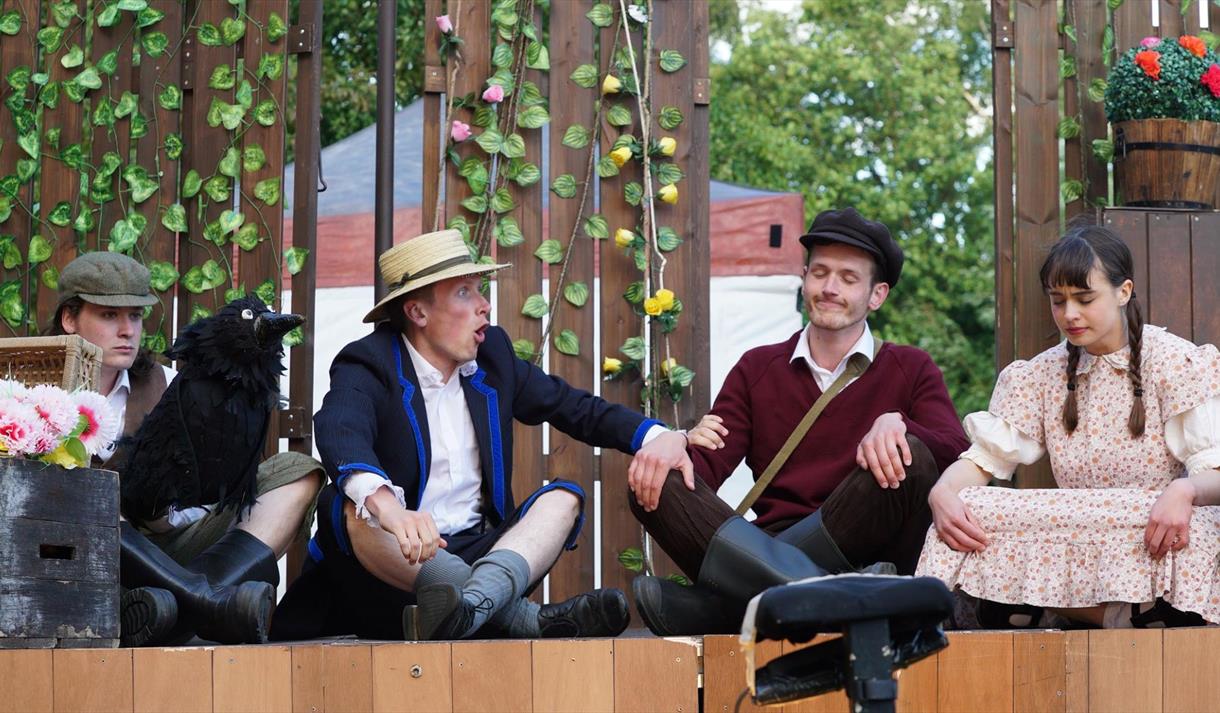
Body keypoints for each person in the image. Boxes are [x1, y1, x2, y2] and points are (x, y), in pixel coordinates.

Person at [270, 228, 692, 641]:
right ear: (417, 313)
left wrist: (658, 437)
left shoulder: (494, 356)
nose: (484, 305)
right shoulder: (369, 362)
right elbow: (339, 428)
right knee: (352, 508)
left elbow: (576, 408)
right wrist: (391, 510)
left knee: (564, 499)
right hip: (392, 571)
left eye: (479, 289)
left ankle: (467, 608)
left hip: (479, 555)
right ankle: (518, 617)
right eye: (464, 292)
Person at [627, 207, 970, 636]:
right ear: (804, 278)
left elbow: (956, 453)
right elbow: (704, 470)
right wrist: (672, 441)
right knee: (655, 479)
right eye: (820, 273)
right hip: (769, 542)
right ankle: (845, 598)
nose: (829, 288)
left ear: (876, 294)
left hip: (862, 535)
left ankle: (728, 606)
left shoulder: (910, 367)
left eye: (848, 278)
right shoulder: (757, 368)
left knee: (911, 455)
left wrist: (898, 422)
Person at [918, 223, 1220, 628]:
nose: (1070, 314)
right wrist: (944, 491)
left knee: (1199, 524)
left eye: (1084, 298)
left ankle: (1061, 609)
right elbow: (984, 460)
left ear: (1123, 291)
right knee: (969, 508)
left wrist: (1183, 490)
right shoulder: (1039, 375)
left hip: (1145, 525)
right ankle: (1110, 614)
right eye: (1058, 301)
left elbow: (1215, 474)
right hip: (1075, 525)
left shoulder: (1174, 362)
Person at [50, 251, 324, 645]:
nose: (127, 330)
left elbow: (214, 491)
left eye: (136, 316)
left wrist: (170, 515)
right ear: (70, 319)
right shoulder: (34, 393)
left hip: (178, 556)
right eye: (109, 316)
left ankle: (186, 604)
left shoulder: (172, 385)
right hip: (85, 571)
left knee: (297, 473)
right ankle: (205, 605)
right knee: (82, 493)